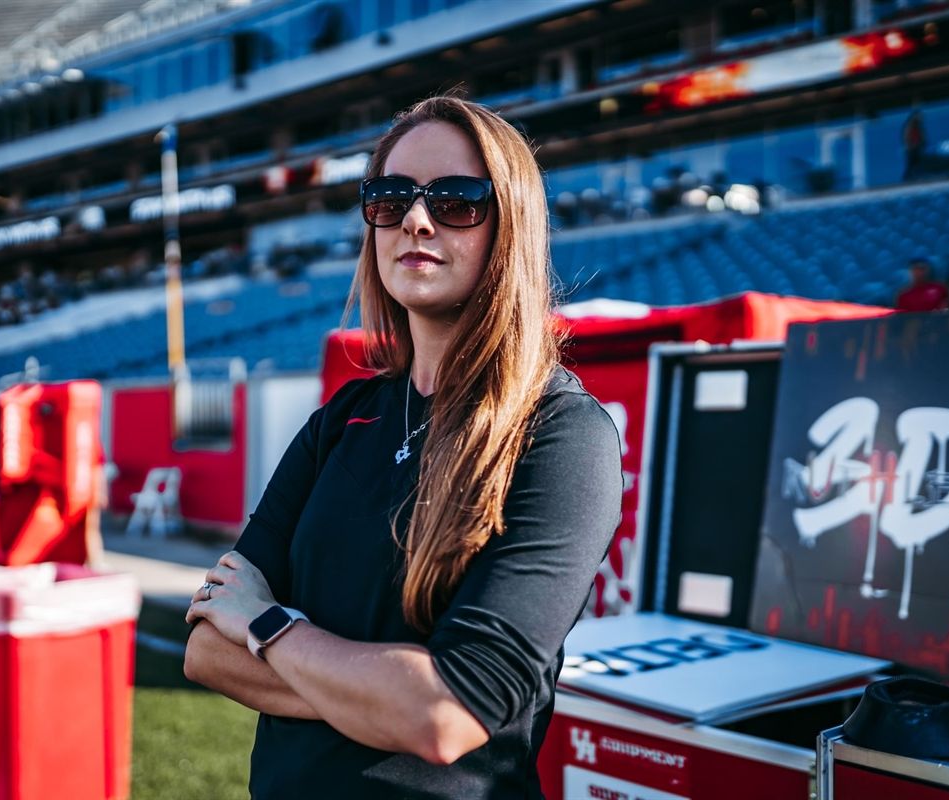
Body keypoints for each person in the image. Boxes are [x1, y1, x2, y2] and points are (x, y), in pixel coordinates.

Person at [183, 96, 623, 798]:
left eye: (455, 200)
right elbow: (207, 650)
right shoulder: (341, 420)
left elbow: (447, 716)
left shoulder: (563, 436)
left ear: (507, 226)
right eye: (390, 198)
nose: (415, 219)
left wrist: (268, 625)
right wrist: (379, 700)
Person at [902, 110, 926, 181]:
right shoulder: (909, 125)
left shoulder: (919, 126)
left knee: (918, 164)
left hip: (917, 148)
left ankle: (917, 177)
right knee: (912, 165)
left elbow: (922, 137)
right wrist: (910, 146)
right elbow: (906, 137)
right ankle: (908, 178)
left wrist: (921, 144)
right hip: (912, 149)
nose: (921, 119)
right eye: (919, 117)